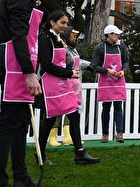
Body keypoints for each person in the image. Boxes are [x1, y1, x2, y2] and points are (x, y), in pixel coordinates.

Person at [0, 0, 55, 187]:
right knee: (10, 122)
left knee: (20, 122)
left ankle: (21, 177)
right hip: (13, 61)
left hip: (15, 59)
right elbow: (19, 36)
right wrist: (29, 73)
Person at [36, 11, 99, 165]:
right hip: (50, 84)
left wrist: (70, 71)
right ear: (52, 22)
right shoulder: (44, 39)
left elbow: (63, 60)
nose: (65, 26)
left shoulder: (59, 40)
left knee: (74, 114)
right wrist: (69, 73)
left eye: (66, 23)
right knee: (49, 120)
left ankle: (79, 153)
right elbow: (46, 65)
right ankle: (40, 154)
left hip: (62, 83)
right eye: (62, 23)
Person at [90, 24, 130, 143]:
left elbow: (126, 61)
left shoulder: (121, 46)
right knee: (106, 107)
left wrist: (123, 71)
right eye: (115, 34)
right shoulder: (100, 48)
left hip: (118, 80)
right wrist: (107, 71)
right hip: (106, 81)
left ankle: (119, 134)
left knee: (118, 106)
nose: (117, 36)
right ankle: (105, 134)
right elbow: (94, 66)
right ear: (109, 35)